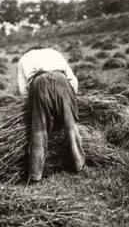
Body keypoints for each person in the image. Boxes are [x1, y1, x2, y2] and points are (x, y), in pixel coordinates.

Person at [17, 46, 85, 183]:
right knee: (71, 125)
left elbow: (23, 91)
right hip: (61, 80)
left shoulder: (23, 59)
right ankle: (78, 165)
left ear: (28, 51)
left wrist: (32, 108)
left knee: (39, 130)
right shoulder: (54, 52)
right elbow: (72, 79)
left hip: (39, 82)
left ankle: (35, 175)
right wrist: (71, 100)